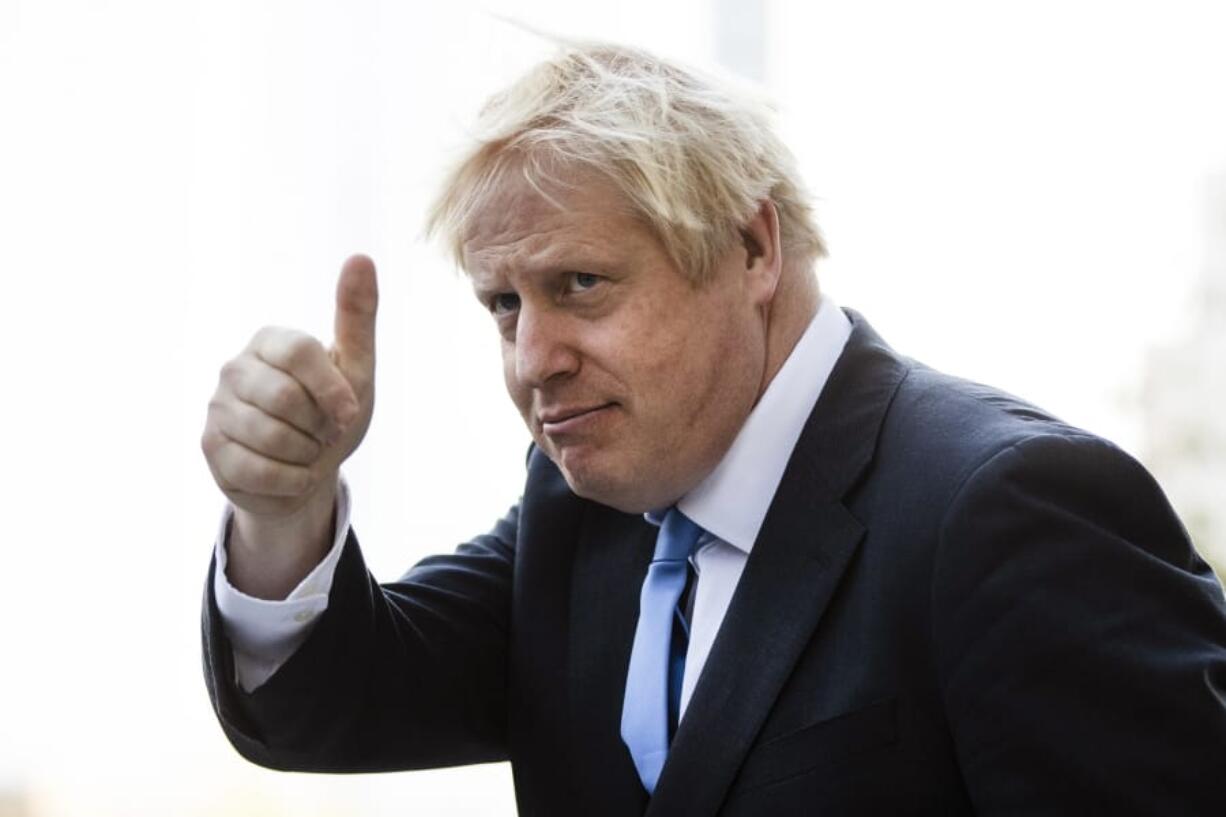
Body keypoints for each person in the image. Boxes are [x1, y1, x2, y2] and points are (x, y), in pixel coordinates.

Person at [200, 42, 1226, 815]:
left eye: (580, 284)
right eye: (503, 304)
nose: (531, 359)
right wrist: (279, 511)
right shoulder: (583, 507)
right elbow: (327, 701)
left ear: (751, 245)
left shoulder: (1011, 509)